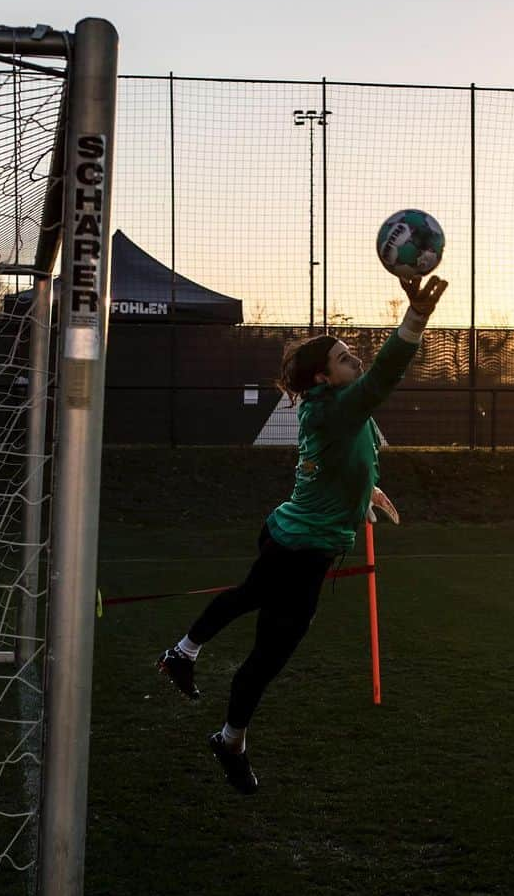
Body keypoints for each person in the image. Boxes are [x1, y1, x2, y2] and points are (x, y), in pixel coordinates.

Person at [158, 273, 449, 794]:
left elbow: (350, 465)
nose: (354, 359)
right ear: (321, 379)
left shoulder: (335, 410)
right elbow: (384, 375)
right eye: (342, 358)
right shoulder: (338, 408)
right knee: (267, 650)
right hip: (299, 548)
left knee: (258, 626)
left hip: (295, 539)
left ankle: (193, 671)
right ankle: (217, 718)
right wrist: (415, 320)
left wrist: (371, 494)